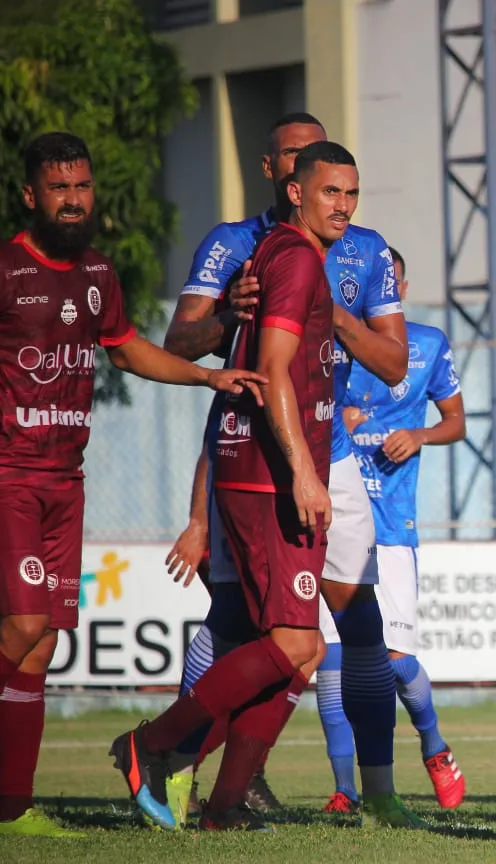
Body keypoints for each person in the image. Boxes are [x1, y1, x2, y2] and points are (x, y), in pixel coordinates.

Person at [161, 113, 422, 827]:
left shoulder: (362, 252)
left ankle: (377, 790)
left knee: (351, 624)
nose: (332, 193)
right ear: (277, 170)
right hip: (250, 447)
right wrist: (226, 321)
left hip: (325, 450)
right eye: (300, 161)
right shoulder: (234, 244)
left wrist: (330, 314)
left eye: (342, 181)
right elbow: (179, 341)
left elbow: (396, 364)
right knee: (244, 624)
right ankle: (182, 770)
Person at [0, 132, 264, 838]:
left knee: (42, 644)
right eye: (58, 188)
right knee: (21, 627)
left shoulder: (96, 273)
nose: (73, 200)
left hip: (66, 477)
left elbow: (129, 348)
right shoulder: (6, 269)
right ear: (31, 195)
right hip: (11, 475)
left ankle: (13, 810)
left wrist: (209, 374)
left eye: (81, 187)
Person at [109, 140, 349, 831]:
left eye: (351, 193)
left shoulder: (274, 253)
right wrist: (304, 472)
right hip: (271, 479)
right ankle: (152, 746)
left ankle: (222, 806)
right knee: (298, 646)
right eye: (330, 190)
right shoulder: (297, 258)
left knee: (281, 648)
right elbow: (273, 370)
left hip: (253, 471)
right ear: (295, 190)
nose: (342, 205)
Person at [320, 247, 467, 813]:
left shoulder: (425, 345)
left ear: (400, 286)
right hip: (334, 520)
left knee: (396, 660)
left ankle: (433, 742)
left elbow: (455, 421)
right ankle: (345, 790)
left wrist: (421, 436)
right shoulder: (328, 345)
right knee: (332, 658)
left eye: (392, 282)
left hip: (392, 525)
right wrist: (340, 418)